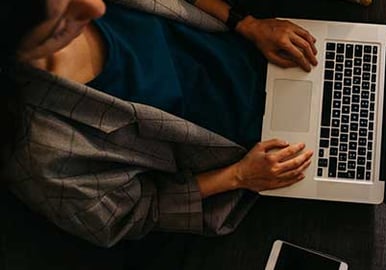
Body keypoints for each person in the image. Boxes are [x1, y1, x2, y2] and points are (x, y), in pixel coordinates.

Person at [0, 0, 318, 247]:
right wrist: (238, 176)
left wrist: (247, 24)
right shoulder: (40, 153)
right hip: (259, 145)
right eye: (61, 24)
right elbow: (131, 213)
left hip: (266, 52)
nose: (96, 8)